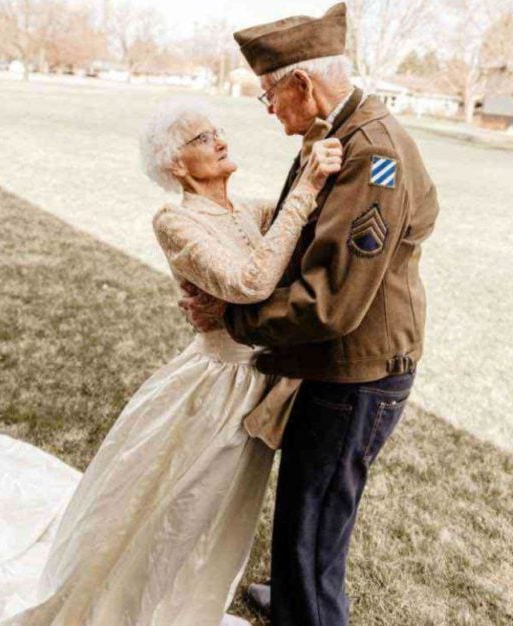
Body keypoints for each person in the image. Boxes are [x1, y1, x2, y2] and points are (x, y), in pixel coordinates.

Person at [0, 96, 344, 625]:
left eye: (218, 131)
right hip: (212, 391)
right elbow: (251, 281)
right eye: (202, 138)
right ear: (176, 164)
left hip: (254, 385)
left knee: (216, 520)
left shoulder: (251, 210)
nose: (220, 140)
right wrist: (307, 189)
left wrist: (313, 156)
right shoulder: (174, 222)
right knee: (177, 507)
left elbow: (291, 238)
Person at [181, 4, 439, 625]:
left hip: (356, 371)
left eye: (270, 92)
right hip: (348, 363)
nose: (267, 107)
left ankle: (310, 611)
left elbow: (332, 301)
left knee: (313, 515)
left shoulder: (370, 152)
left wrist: (233, 320)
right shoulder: (337, 134)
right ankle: (302, 595)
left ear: (302, 83)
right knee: (313, 509)